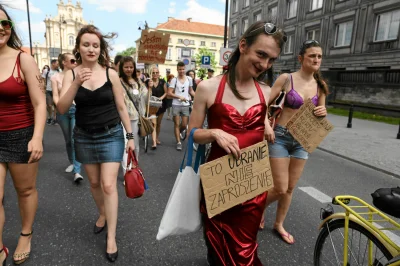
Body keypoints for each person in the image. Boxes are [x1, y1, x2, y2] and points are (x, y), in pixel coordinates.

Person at [188, 21, 286, 265]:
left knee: (245, 249)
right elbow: (192, 133)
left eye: (271, 60)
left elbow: (260, 118)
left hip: (253, 183)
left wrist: (264, 125)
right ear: (243, 46)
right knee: (218, 247)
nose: (264, 65)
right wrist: (214, 133)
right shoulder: (208, 87)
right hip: (219, 182)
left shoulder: (266, 91)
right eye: (261, 54)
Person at [57, 25, 135, 263]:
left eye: (95, 45)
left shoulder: (111, 73)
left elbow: (121, 107)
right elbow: (60, 108)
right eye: (86, 44)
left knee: (109, 185)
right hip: (83, 135)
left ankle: (111, 236)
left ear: (100, 49)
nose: (91, 49)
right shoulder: (70, 74)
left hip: (110, 134)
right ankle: (102, 212)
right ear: (78, 48)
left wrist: (130, 137)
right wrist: (76, 82)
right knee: (93, 182)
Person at [261, 40, 328, 244]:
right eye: (312, 56)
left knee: (290, 188)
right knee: (279, 187)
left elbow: (320, 117)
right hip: (280, 136)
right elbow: (264, 104)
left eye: (319, 56)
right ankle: (256, 210)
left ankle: (279, 224)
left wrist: (323, 112)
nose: (316, 59)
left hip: (302, 141)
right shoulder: (286, 79)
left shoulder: (321, 86)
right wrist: (266, 125)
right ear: (301, 58)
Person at [0, 5, 46, 265]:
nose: (1, 30)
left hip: (21, 135)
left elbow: (40, 103)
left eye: (5, 25)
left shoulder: (23, 59)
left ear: (10, 28)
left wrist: (37, 137)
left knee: (25, 190)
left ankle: (25, 234)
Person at [51, 53, 83, 182]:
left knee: (74, 139)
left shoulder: (77, 75)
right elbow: (55, 94)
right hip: (63, 111)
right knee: (68, 141)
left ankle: (77, 171)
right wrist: (59, 106)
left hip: (76, 109)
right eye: (72, 60)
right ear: (64, 62)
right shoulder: (55, 77)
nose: (75, 62)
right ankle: (72, 161)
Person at [119, 56, 148, 166]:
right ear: (122, 68)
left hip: (135, 118)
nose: (129, 69)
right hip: (121, 118)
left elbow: (145, 96)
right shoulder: (117, 81)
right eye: (126, 67)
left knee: (135, 144)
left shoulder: (138, 81)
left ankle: (134, 165)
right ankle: (127, 169)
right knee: (124, 144)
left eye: (131, 67)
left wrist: (148, 88)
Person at [168, 61, 195, 151]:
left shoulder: (189, 79)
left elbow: (190, 91)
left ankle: (178, 132)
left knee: (184, 124)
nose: (181, 71)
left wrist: (197, 97)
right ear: (177, 69)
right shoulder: (174, 80)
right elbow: (169, 93)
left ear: (185, 69)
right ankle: (178, 142)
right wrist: (179, 96)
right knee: (176, 123)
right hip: (176, 104)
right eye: (180, 69)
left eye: (183, 69)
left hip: (186, 104)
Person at [145, 65, 167, 148]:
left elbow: (166, 92)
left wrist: (160, 98)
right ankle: (154, 142)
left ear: (159, 73)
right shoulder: (148, 82)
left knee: (158, 123)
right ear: (151, 73)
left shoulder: (162, 82)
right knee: (154, 123)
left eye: (156, 72)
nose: (155, 74)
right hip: (152, 105)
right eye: (153, 72)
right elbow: (146, 95)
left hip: (161, 105)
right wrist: (149, 87)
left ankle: (157, 137)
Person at [45, 59, 59, 125]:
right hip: (48, 90)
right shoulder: (46, 71)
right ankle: (49, 117)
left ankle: (55, 118)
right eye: (57, 64)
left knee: (56, 105)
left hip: (56, 90)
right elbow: (43, 80)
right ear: (53, 63)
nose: (58, 65)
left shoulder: (59, 71)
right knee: (49, 105)